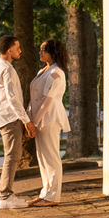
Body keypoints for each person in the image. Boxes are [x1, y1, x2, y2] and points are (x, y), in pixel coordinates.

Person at [0, 35, 35, 209]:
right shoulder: (6, 69)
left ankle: (6, 194)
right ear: (9, 50)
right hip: (10, 117)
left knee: (12, 156)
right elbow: (13, 98)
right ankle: (5, 196)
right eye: (18, 48)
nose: (20, 51)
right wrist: (26, 121)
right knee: (12, 156)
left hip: (4, 116)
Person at [28, 38, 71, 207]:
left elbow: (48, 100)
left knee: (51, 157)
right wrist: (29, 119)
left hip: (49, 118)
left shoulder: (56, 73)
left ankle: (53, 196)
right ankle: (45, 192)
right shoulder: (44, 71)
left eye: (43, 49)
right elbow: (35, 99)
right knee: (42, 157)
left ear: (53, 51)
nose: (40, 51)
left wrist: (34, 121)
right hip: (39, 118)